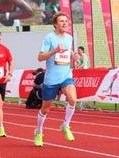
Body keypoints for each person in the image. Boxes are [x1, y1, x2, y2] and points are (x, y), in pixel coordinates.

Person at [34, 11, 77, 147]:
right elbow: (40, 57)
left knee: (73, 99)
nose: (65, 23)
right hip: (51, 79)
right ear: (55, 24)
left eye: (66, 21)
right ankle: (39, 131)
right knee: (45, 109)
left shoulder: (69, 38)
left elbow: (68, 50)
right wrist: (54, 51)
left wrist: (73, 55)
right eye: (61, 21)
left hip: (65, 76)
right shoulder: (49, 38)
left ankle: (65, 125)